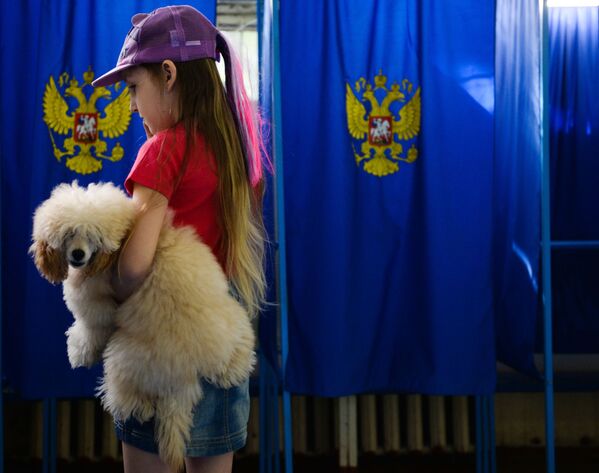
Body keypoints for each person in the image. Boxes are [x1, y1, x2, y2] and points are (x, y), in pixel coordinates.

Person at [92, 5, 267, 473]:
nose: (131, 106)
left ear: (168, 75)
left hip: (160, 339)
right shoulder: (237, 145)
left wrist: (107, 295)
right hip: (219, 334)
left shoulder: (164, 148)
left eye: (133, 89)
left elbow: (133, 268)